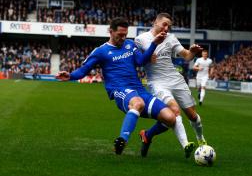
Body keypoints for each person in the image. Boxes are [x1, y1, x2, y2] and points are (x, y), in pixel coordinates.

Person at [56, 17, 176, 155]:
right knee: (137, 103)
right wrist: (70, 76)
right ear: (111, 31)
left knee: (170, 118)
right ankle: (122, 141)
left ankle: (147, 136)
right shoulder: (101, 51)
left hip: (139, 90)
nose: (123, 37)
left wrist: (154, 43)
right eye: (120, 35)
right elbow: (84, 70)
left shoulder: (130, 45)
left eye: (125, 34)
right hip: (119, 90)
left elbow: (141, 61)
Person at [134, 13, 207, 158]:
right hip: (158, 83)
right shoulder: (141, 39)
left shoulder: (171, 38)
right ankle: (186, 144)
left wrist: (192, 52)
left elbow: (186, 56)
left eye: (169, 26)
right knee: (174, 110)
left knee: (193, 117)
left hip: (176, 80)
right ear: (155, 22)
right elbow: (137, 60)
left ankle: (200, 140)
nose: (167, 28)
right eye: (164, 24)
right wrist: (147, 57)